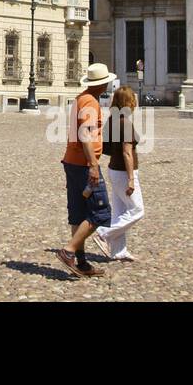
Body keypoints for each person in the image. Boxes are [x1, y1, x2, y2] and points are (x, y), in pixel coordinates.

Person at [57, 63, 114, 278]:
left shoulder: (82, 98)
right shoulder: (90, 102)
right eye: (106, 80)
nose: (108, 83)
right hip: (83, 164)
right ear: (102, 84)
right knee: (101, 212)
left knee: (79, 213)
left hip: (72, 161)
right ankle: (69, 251)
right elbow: (86, 134)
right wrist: (93, 165)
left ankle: (81, 263)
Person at [92, 86, 145, 261]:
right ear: (129, 103)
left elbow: (106, 147)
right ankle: (104, 233)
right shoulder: (125, 124)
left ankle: (118, 251)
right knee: (137, 210)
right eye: (133, 100)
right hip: (123, 172)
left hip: (113, 169)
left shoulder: (112, 120)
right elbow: (127, 152)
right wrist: (131, 178)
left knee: (119, 210)